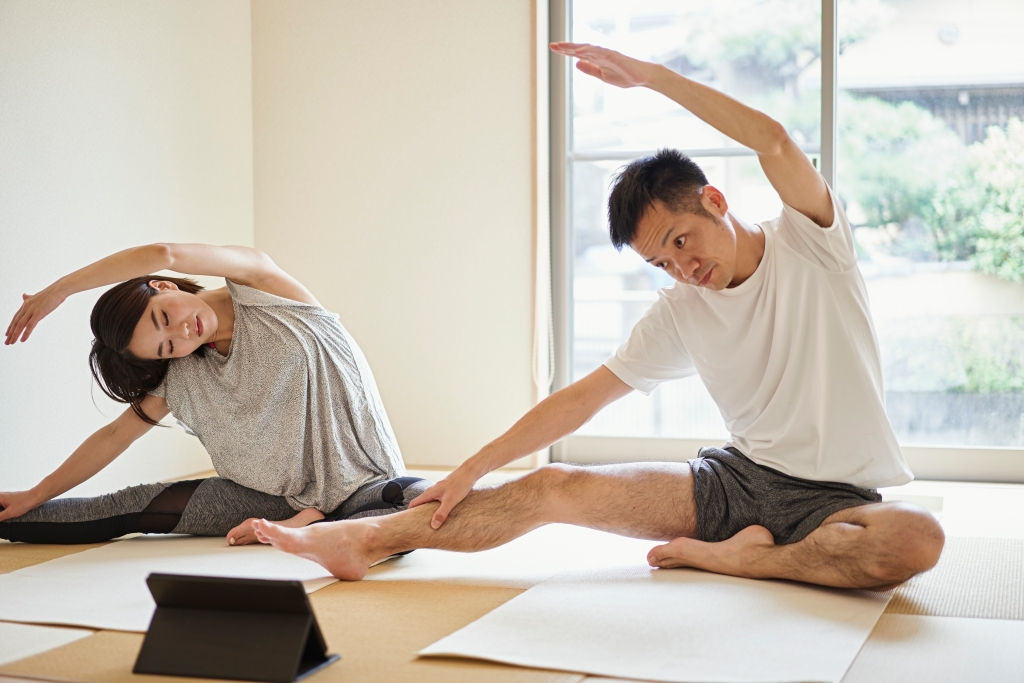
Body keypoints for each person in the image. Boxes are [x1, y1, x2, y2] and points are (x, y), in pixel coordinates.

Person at [252, 42, 945, 590]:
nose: (683, 267)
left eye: (680, 242)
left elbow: (774, 141)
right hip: (734, 486)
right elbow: (583, 398)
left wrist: (649, 77)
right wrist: (471, 467)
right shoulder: (681, 311)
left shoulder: (812, 243)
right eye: (662, 263)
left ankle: (743, 561)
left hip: (840, 498)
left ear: (713, 199)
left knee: (918, 539)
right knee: (551, 485)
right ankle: (365, 541)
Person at [1, 244, 429, 545]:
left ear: (162, 287)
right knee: (126, 506)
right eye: (167, 346)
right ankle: (308, 527)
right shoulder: (184, 371)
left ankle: (316, 528)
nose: (181, 333)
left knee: (418, 502)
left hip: (367, 486)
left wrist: (61, 289)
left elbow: (165, 252)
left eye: (165, 317)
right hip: (270, 501)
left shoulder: (265, 290)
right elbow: (116, 436)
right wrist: (35, 494)